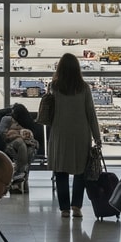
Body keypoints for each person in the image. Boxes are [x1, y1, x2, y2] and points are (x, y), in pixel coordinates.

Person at [43, 53, 102, 219]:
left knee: (60, 171)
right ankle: (76, 206)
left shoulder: (54, 87)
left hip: (60, 133)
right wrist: (97, 136)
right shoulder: (84, 88)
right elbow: (91, 113)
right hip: (81, 134)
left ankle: (64, 209)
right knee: (80, 171)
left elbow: (49, 111)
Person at [0, 106, 37, 188]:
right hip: (11, 144)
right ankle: (22, 176)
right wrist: (19, 135)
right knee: (20, 143)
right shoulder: (6, 119)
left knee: (30, 149)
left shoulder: (26, 122)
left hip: (28, 143)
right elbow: (4, 136)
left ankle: (20, 177)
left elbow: (31, 136)